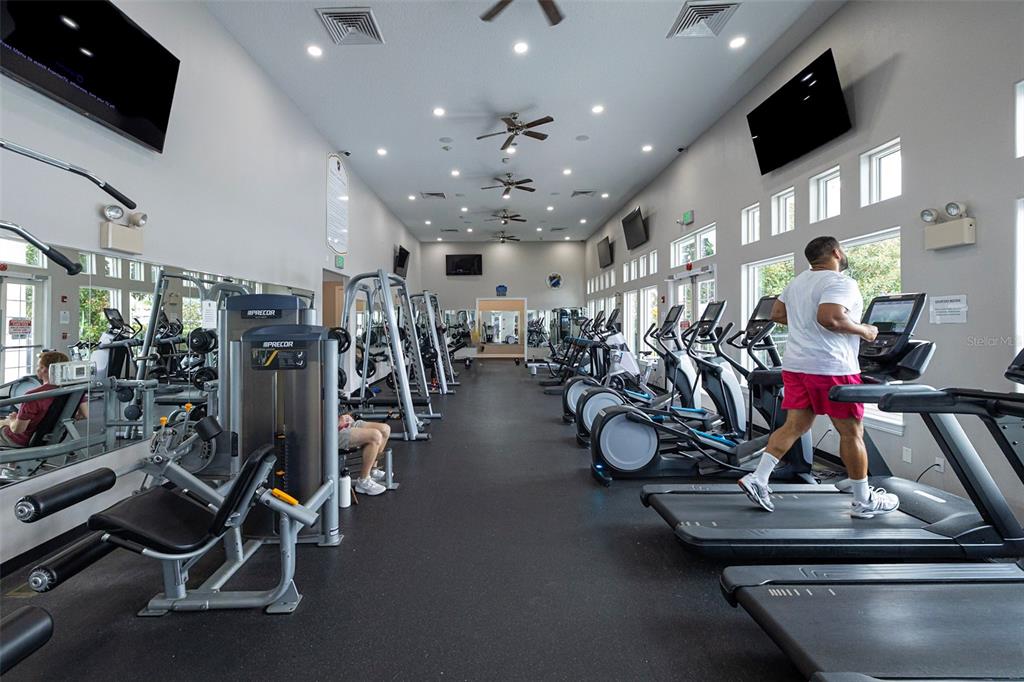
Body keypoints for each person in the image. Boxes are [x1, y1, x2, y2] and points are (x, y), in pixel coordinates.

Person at [738, 236, 899, 519]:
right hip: (831, 367)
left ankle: (758, 478)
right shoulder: (841, 282)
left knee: (795, 425)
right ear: (836, 252)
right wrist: (866, 331)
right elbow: (831, 318)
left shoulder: (797, 282)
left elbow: (777, 313)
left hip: (796, 366)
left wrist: (805, 325)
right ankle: (863, 501)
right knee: (851, 432)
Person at [0, 351, 89, 448]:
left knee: (3, 422)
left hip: (21, 440)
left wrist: (11, 421)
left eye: (38, 366)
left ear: (44, 369)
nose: (37, 369)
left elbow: (18, 430)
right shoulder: (73, 390)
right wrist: (61, 416)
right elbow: (85, 414)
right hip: (50, 438)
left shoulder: (33, 396)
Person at [338, 413, 392, 496]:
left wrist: (344, 416)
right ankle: (363, 481)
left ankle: (372, 470)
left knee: (385, 429)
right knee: (375, 436)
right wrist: (338, 421)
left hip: (344, 423)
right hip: (334, 431)